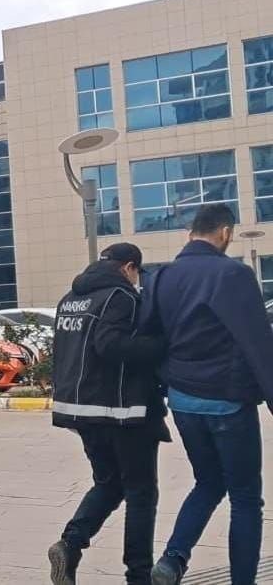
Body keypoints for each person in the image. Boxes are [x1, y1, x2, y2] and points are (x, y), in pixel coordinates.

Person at [149, 204, 273, 585]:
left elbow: (151, 337)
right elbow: (257, 342)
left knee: (208, 481)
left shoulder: (161, 277)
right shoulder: (233, 274)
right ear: (225, 232)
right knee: (245, 497)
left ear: (190, 233)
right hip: (227, 403)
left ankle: (172, 559)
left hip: (182, 402)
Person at [46, 243, 168, 585]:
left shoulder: (71, 298)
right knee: (141, 493)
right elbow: (110, 344)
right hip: (120, 411)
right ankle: (138, 575)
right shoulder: (121, 296)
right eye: (137, 273)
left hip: (80, 409)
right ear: (129, 267)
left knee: (110, 483)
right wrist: (161, 344)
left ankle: (70, 545)